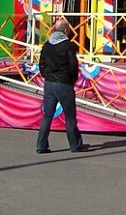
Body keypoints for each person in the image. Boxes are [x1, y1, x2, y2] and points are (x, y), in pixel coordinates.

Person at [36, 18, 91, 154]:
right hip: (64, 84)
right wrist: (72, 80)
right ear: (66, 30)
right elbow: (73, 66)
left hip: (49, 84)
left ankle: (41, 145)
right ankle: (75, 145)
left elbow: (41, 64)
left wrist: (47, 76)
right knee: (70, 117)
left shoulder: (47, 45)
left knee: (47, 115)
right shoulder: (68, 46)